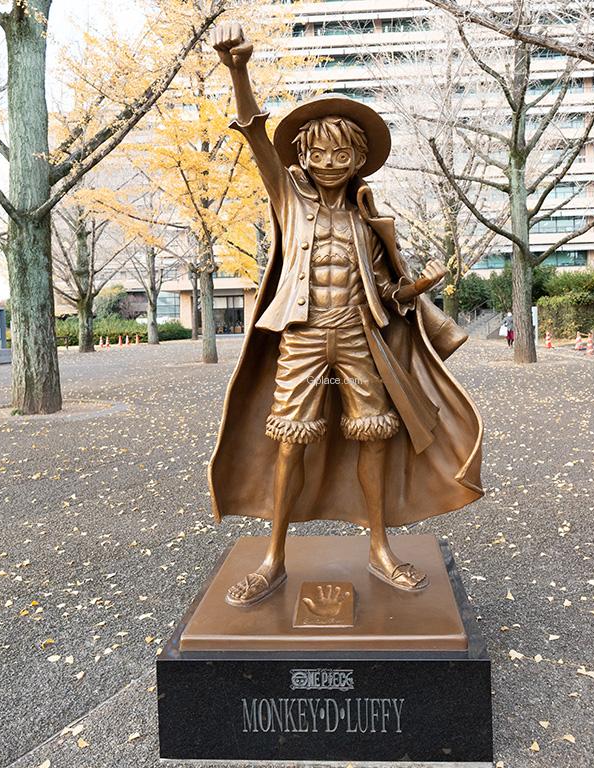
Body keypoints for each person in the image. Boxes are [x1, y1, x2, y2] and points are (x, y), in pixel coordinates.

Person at [207, 22, 484, 607]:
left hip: (361, 337)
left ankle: (380, 549)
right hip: (303, 337)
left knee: (375, 436)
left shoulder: (367, 217)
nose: (329, 161)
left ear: (359, 159)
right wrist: (239, 71)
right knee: (289, 440)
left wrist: (415, 288)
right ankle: (274, 558)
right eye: (318, 152)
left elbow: (386, 291)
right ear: (302, 157)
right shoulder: (289, 198)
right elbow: (255, 133)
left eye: (342, 152)